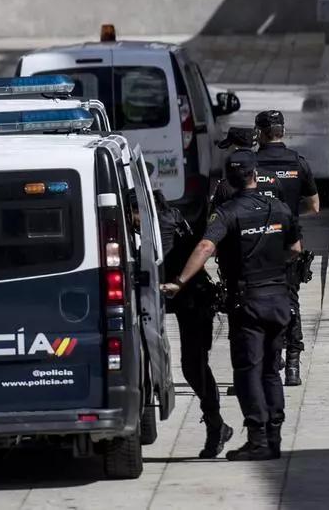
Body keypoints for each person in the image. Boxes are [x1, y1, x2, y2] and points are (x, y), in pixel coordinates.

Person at [163, 151, 300, 461]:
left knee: (247, 371)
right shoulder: (278, 208)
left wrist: (180, 281)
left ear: (230, 180)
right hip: (278, 299)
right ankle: (273, 438)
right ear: (255, 174)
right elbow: (295, 249)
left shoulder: (227, 213)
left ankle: (258, 439)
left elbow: (205, 247)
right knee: (270, 370)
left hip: (248, 302)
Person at [129, 189, 233, 458]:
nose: (132, 222)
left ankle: (215, 425)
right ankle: (216, 424)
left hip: (191, 299)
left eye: (132, 216)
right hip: (180, 299)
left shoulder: (159, 226)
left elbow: (153, 266)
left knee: (193, 367)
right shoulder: (168, 218)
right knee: (193, 366)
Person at [253, 110, 318, 386]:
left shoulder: (251, 163)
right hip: (290, 244)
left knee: (258, 303)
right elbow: (314, 206)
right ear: (282, 131)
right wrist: (289, 213)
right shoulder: (298, 163)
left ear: (261, 133)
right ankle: (292, 367)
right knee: (290, 302)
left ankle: (271, 360)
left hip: (256, 244)